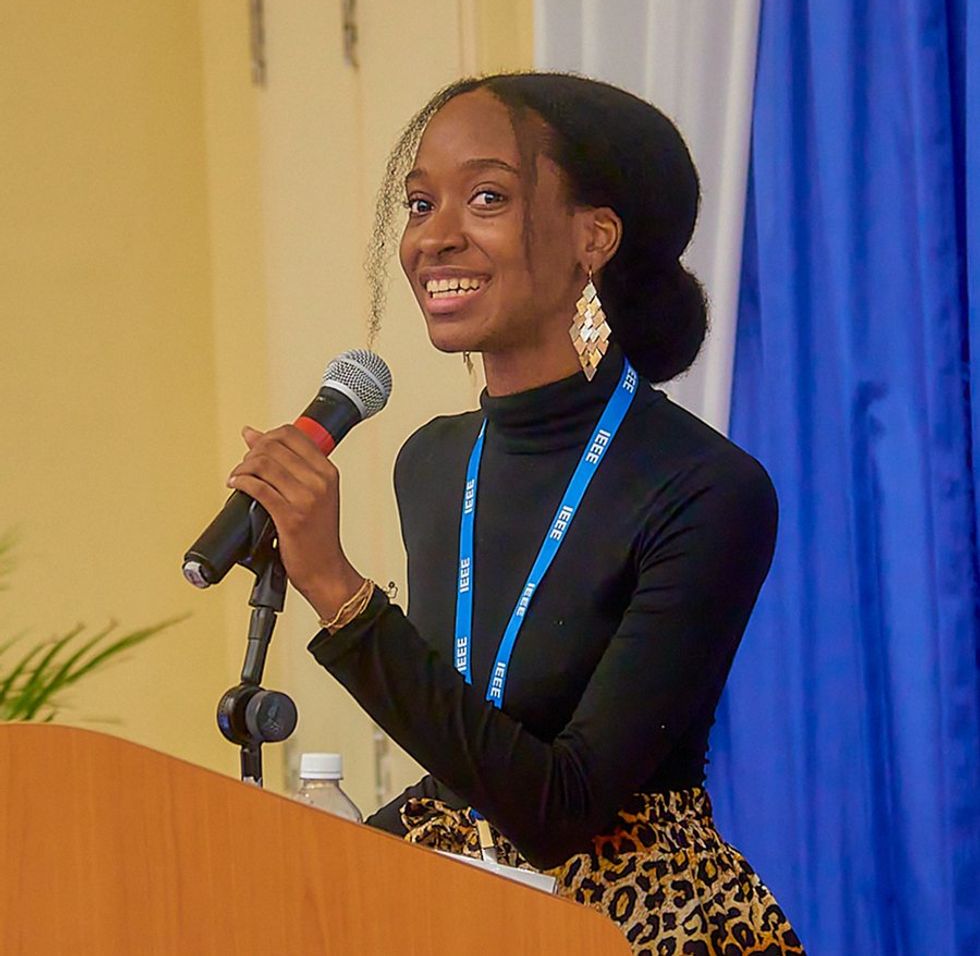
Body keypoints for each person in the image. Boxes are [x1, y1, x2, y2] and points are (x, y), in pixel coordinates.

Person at [227, 73, 806, 955]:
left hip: (637, 919)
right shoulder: (432, 462)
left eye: (486, 197)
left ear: (593, 238)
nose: (435, 237)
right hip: (449, 898)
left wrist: (339, 592)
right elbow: (468, 759)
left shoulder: (706, 488)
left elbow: (560, 808)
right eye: (421, 204)